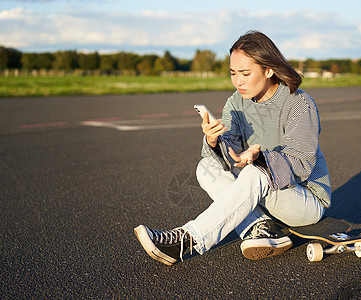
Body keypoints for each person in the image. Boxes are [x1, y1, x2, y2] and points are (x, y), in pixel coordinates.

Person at [134, 30, 331, 266]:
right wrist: (214, 141)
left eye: (246, 73)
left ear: (269, 70)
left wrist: (260, 159)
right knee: (206, 166)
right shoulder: (236, 102)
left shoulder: (299, 103)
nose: (238, 81)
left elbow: (302, 163)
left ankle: (186, 241)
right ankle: (261, 228)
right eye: (233, 73)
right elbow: (230, 157)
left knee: (255, 172)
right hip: (261, 189)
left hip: (305, 198)